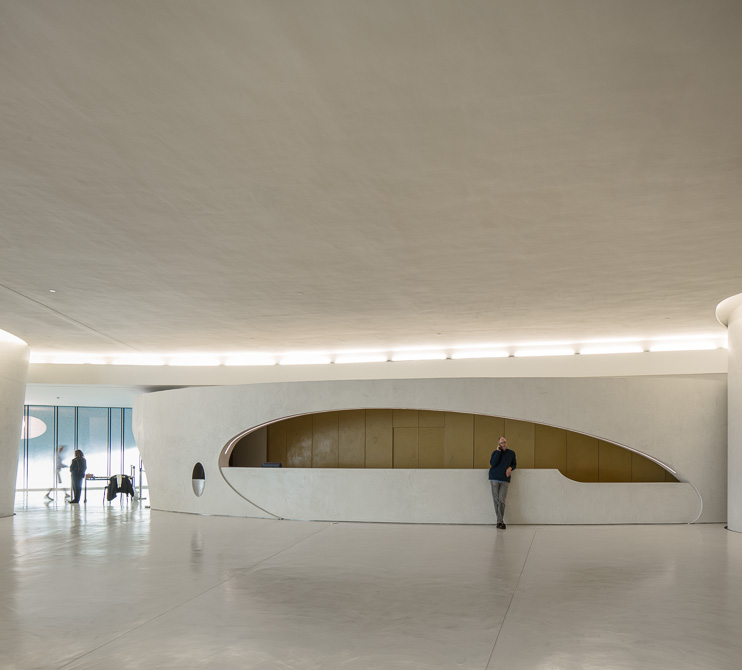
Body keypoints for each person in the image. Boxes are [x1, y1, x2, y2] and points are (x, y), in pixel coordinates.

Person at [489, 436, 516, 529]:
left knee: (502, 500)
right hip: (494, 478)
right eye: (501, 443)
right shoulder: (495, 452)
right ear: (499, 444)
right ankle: (500, 522)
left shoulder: (511, 453)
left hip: (505, 479)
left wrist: (510, 468)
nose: (503, 444)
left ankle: (499, 521)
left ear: (507, 442)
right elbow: (493, 463)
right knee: (496, 500)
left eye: (504, 442)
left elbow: (514, 464)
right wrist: (498, 452)